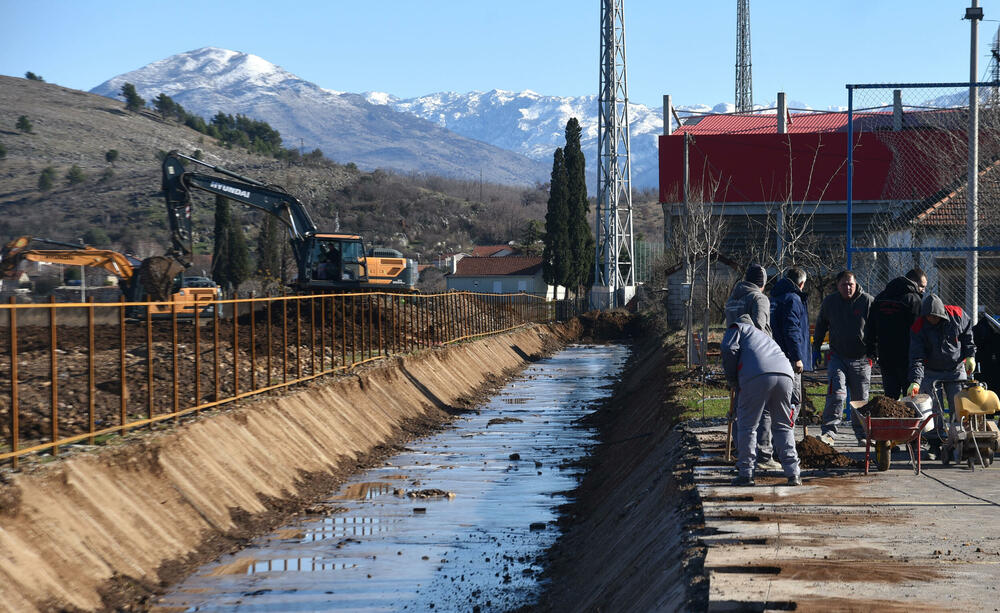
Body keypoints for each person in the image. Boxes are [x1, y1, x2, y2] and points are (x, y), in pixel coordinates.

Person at [722, 314, 802, 486]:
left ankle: (746, 473)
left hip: (757, 375)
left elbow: (729, 349)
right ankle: (793, 474)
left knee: (747, 426)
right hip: (786, 374)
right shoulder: (763, 337)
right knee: (783, 425)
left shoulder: (737, 328)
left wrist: (732, 378)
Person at [724, 263, 778, 471]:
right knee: (763, 409)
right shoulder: (758, 299)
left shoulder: (733, 299)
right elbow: (759, 331)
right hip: (756, 361)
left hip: (736, 358)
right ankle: (763, 455)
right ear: (762, 282)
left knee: (742, 408)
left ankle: (743, 452)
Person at [813, 270, 873, 446]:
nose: (848, 288)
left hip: (861, 359)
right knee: (837, 394)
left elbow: (877, 328)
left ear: (856, 284)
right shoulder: (830, 302)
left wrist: (874, 352)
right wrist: (816, 348)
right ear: (837, 286)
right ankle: (829, 433)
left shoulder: (867, 301)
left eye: (850, 284)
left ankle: (862, 434)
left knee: (860, 400)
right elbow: (821, 325)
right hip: (838, 357)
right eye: (844, 284)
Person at [906, 294, 976, 443]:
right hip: (931, 371)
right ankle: (936, 441)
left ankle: (958, 438)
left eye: (934, 317)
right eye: (928, 317)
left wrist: (970, 356)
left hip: (955, 368)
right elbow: (917, 356)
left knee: (958, 405)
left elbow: (968, 336)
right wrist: (916, 381)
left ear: (941, 314)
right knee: (932, 408)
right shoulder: (919, 327)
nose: (931, 319)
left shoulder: (957, 315)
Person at [865, 268, 927, 399]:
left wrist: (871, 349)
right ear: (913, 282)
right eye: (922, 286)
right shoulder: (913, 299)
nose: (923, 290)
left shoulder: (880, 298)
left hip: (886, 355)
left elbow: (870, 326)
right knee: (910, 397)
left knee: (890, 397)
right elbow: (918, 330)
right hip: (907, 357)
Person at [770, 267, 810, 415]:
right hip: (789, 357)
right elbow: (791, 330)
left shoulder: (774, 297)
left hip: (774, 354)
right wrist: (797, 357)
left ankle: (776, 429)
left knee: (776, 400)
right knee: (793, 400)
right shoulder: (793, 299)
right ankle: (787, 429)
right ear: (801, 284)